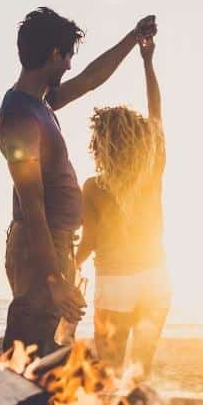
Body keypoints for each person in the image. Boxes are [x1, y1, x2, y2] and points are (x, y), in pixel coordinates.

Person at [0, 8, 157, 358]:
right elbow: (33, 206)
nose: (69, 66)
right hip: (40, 247)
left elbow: (88, 79)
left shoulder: (40, 104)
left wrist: (133, 38)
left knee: (45, 353)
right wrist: (54, 279)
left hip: (56, 244)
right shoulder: (19, 117)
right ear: (55, 54)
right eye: (68, 56)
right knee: (26, 356)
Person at [75, 34, 169, 374]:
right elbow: (156, 115)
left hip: (115, 280)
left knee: (109, 369)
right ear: (139, 136)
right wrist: (147, 62)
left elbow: (91, 240)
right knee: (139, 369)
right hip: (156, 276)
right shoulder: (152, 171)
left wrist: (67, 267)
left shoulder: (94, 187)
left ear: (100, 143)